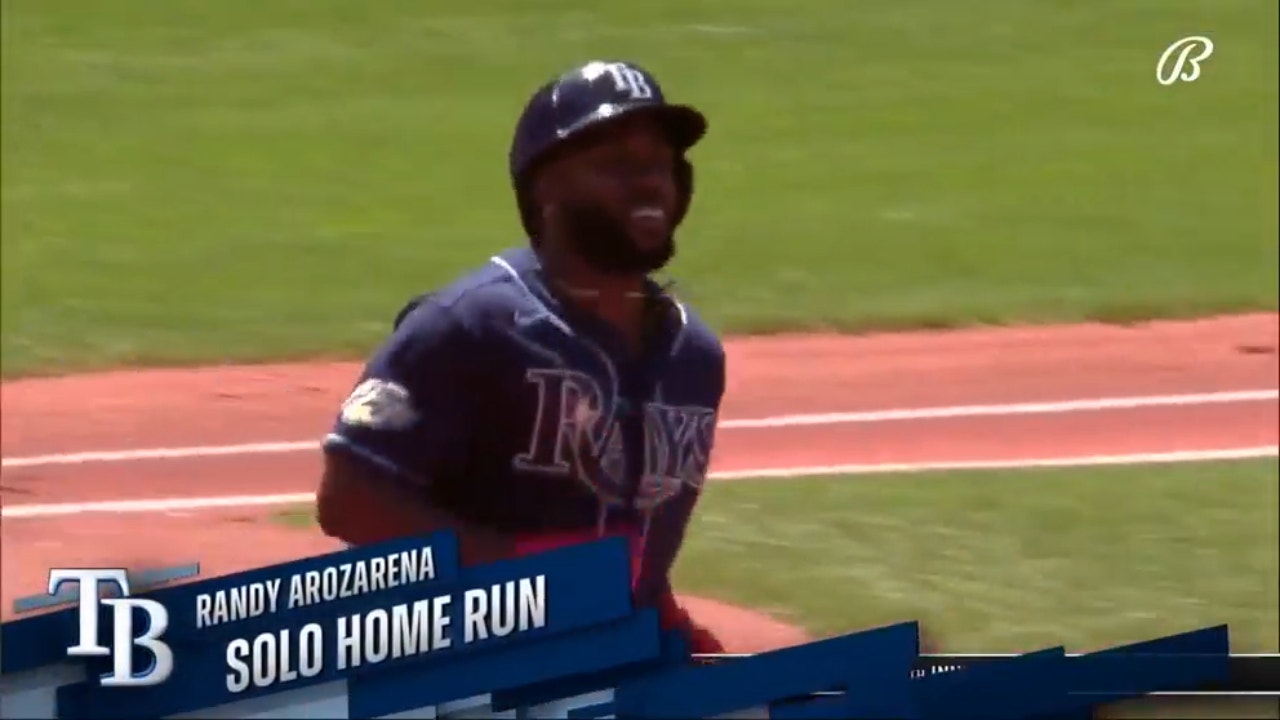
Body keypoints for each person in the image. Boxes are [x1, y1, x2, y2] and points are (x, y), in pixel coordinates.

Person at [316, 60, 726, 653]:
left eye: (657, 164)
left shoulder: (692, 357)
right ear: (546, 189)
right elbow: (350, 501)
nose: (647, 183)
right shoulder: (470, 324)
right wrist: (521, 574)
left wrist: (664, 624)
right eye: (615, 165)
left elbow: (635, 552)